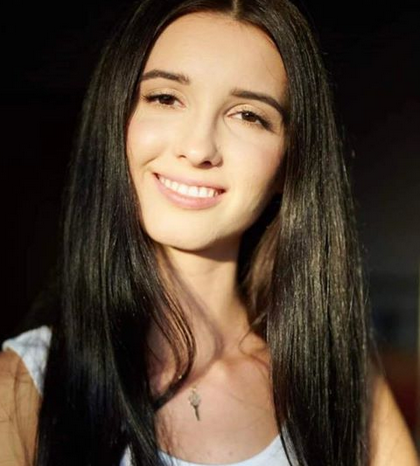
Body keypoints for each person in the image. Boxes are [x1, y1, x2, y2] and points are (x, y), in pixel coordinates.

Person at [0, 0, 418, 465]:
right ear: (116, 117)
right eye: (165, 98)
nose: (199, 148)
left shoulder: (338, 380)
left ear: (289, 162)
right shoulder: (24, 386)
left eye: (248, 115)